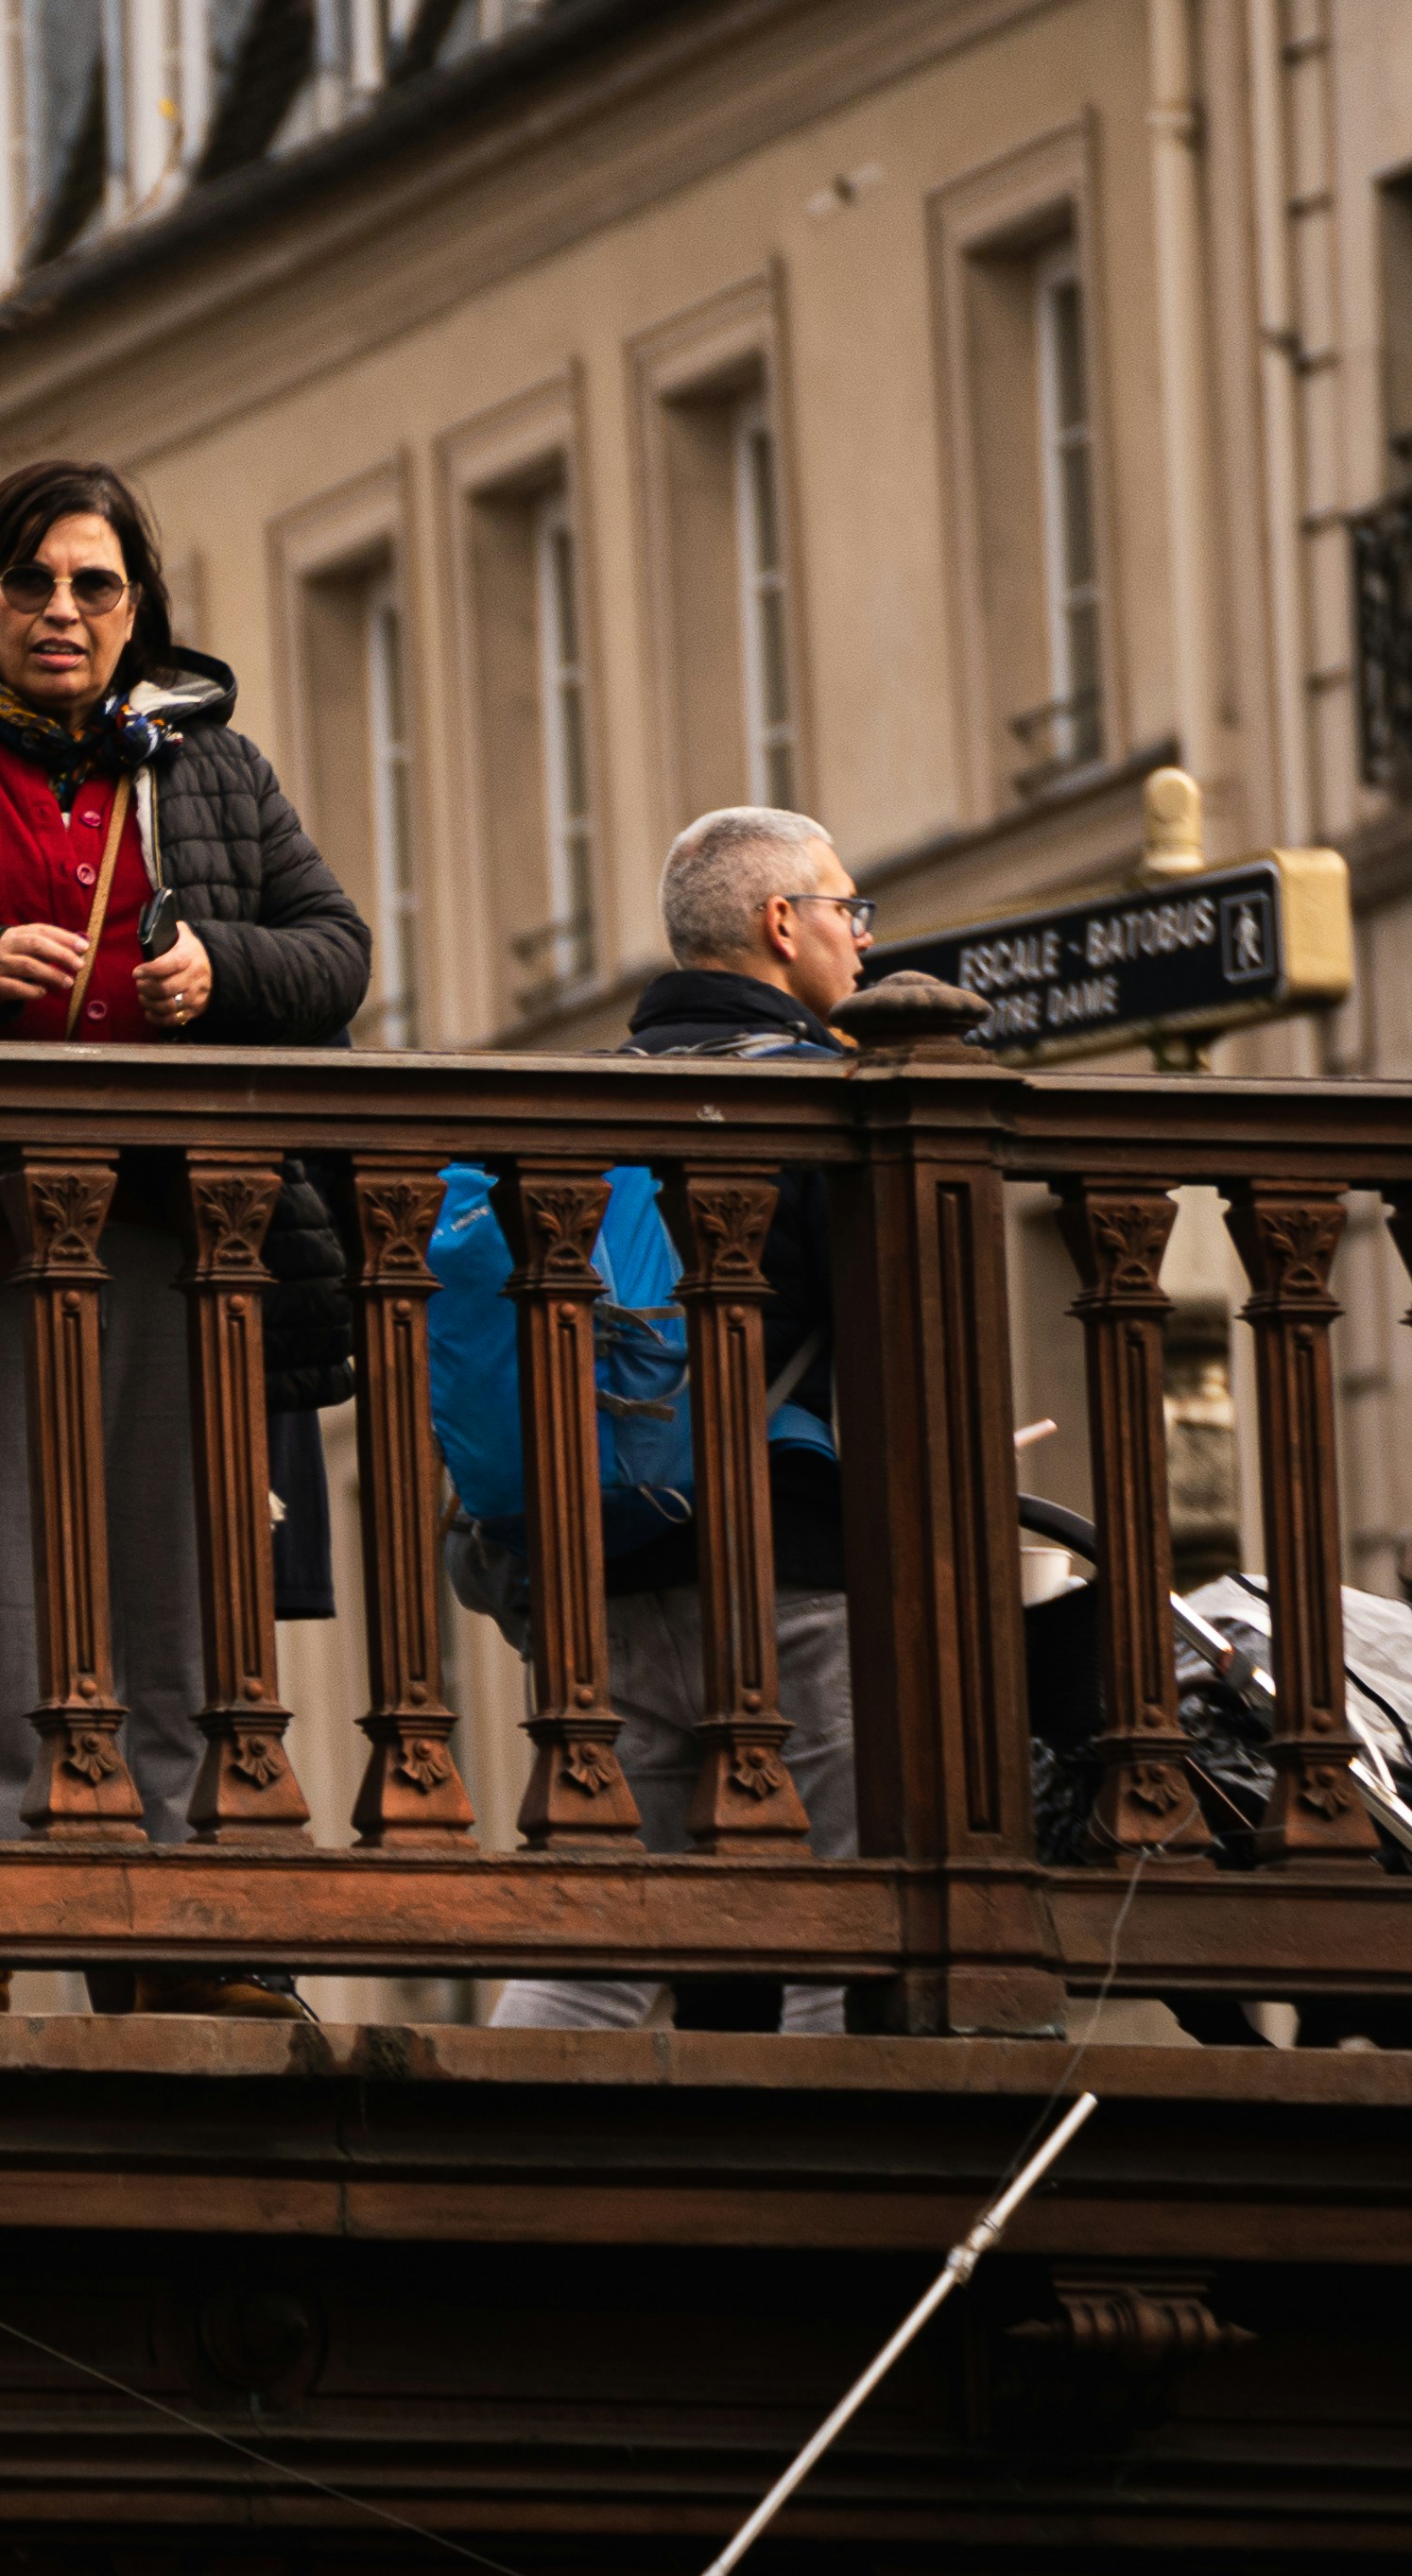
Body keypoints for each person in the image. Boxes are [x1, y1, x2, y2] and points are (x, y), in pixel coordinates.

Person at [0, 457, 368, 2021]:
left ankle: (181, 1926)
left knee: (183, 1574)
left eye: (94, 586)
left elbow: (335, 957)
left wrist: (214, 971)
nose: (61, 613)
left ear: (139, 609)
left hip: (181, 1225)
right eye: (30, 584)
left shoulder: (219, 771)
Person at [478, 804, 871, 2035]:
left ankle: (462, 2190)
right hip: (791, 1567)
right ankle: (839, 2220)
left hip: (601, 1569)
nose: (860, 939)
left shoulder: (567, 1113)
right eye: (847, 910)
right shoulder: (830, 1103)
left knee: (598, 1940)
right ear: (780, 924)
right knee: (841, 1926)